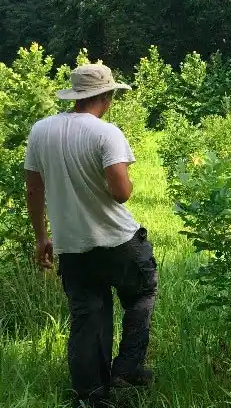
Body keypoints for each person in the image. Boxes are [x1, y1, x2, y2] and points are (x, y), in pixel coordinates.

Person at [24, 64, 158, 408]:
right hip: (117, 241)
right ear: (107, 96)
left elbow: (34, 189)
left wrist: (41, 238)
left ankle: (90, 395)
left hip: (72, 246)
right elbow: (121, 193)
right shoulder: (105, 132)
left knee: (88, 317)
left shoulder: (41, 131)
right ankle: (127, 369)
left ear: (75, 96)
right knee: (143, 292)